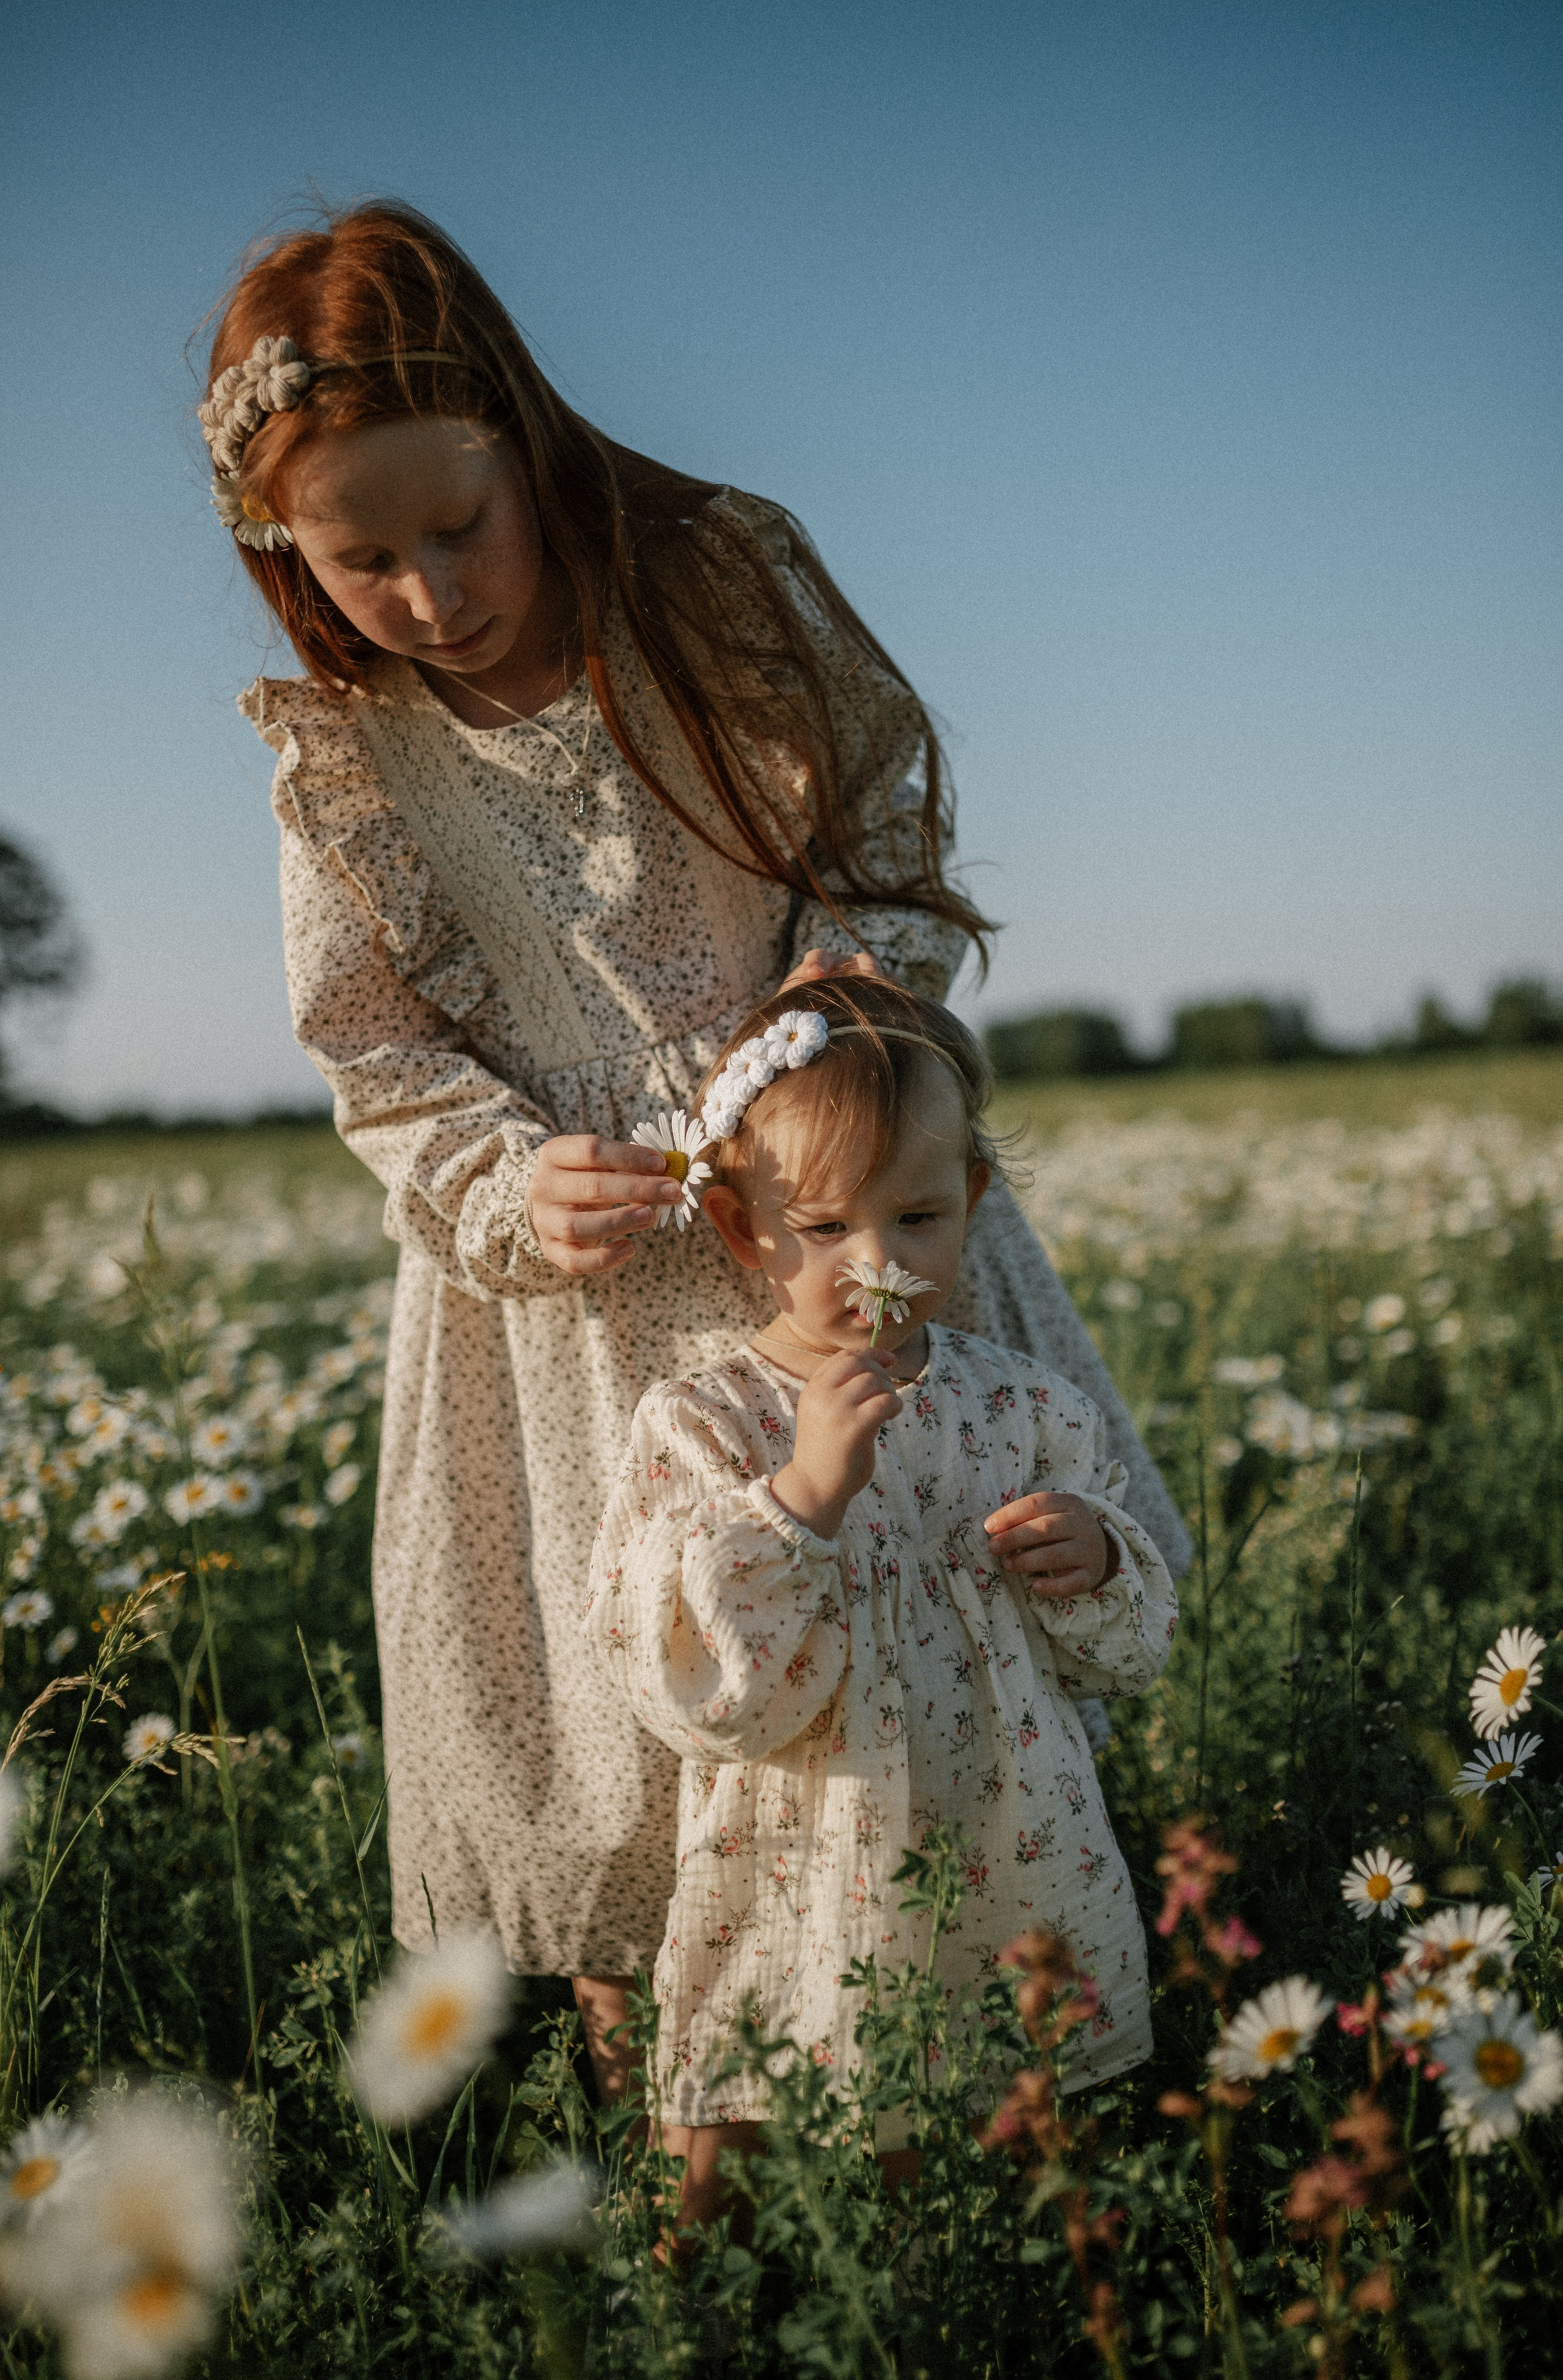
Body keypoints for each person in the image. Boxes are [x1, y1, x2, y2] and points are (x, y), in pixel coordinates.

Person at [200, 199, 1190, 2099]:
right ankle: (684, 2132)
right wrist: (508, 1173)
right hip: (565, 1325)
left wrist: (843, 957)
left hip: (830, 1224)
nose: (423, 591)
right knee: (629, 1730)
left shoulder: (713, 592)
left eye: (455, 524)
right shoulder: (344, 747)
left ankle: (989, 2060)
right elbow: (374, 1044)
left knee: (937, 1627)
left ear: (520, 431)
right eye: (358, 558)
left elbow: (887, 801)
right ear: (288, 555)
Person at [585, 976, 1178, 2226]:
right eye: (823, 1228)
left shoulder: (1020, 1407)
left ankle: (966, 2297)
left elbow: (1122, 1651)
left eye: (916, 1215)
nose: (879, 1265)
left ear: (969, 1201)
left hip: (994, 1826)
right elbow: (683, 1678)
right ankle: (686, 2315)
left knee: (990, 2093)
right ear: (746, 1234)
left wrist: (1095, 1560)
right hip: (803, 1832)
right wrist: (798, 1495)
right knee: (728, 2107)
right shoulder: (703, 1425)